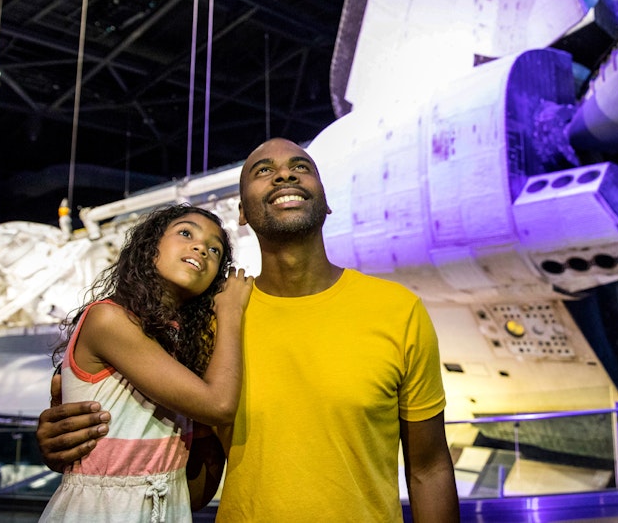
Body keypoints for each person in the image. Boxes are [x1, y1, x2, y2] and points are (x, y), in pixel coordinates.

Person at [36, 138, 460, 522]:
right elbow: (194, 485)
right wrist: (75, 445)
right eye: (263, 170)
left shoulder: (398, 311)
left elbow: (430, 468)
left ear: (326, 201)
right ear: (241, 212)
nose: (284, 174)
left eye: (301, 167)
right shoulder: (211, 324)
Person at [38, 204, 253, 522]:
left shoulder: (177, 343)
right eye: (185, 233)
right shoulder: (109, 318)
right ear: (149, 245)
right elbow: (219, 405)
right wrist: (231, 310)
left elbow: (195, 492)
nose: (201, 248)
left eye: (215, 250)